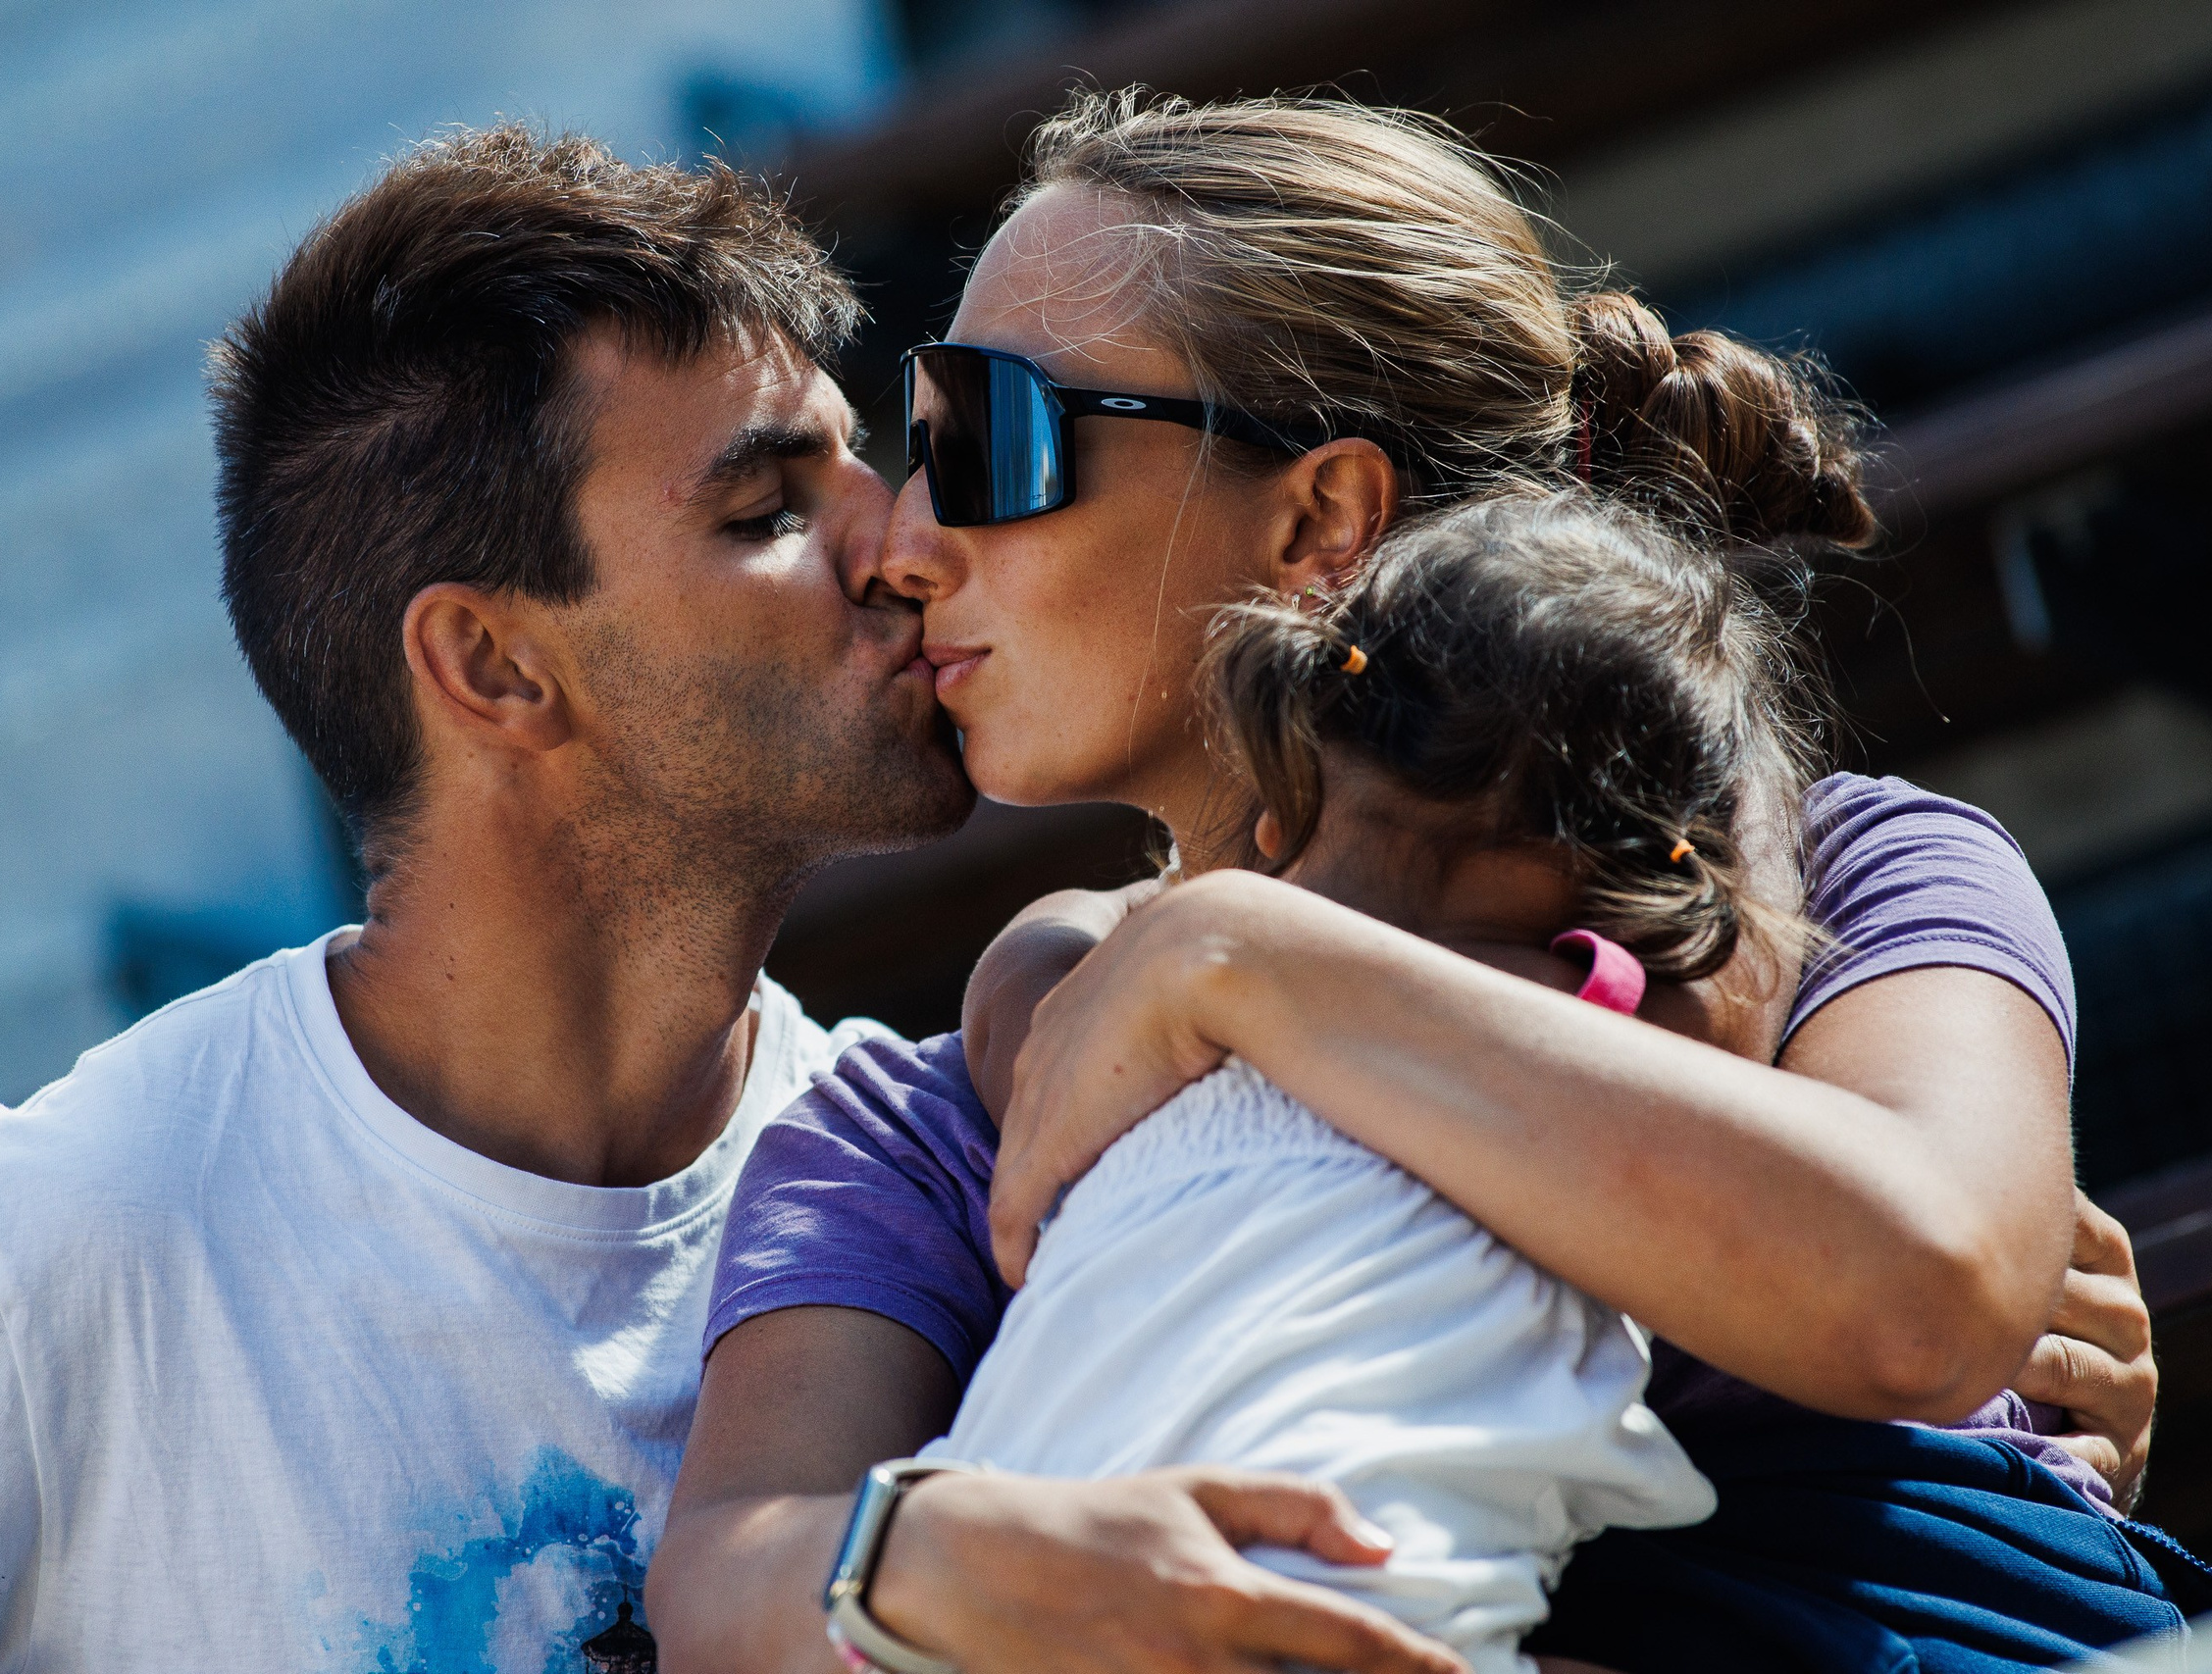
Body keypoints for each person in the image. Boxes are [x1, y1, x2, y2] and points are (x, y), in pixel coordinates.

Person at [650, 92, 2170, 1674]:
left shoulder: (1836, 874)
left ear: (1319, 514)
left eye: (982, 436)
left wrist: (1238, 954)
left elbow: (1917, 1296)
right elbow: (730, 1581)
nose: (901, 539)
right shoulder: (926, 1117)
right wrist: (942, 1555)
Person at [0, 125, 990, 1671]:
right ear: (496, 667)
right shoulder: (45, 1251)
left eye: (864, 466)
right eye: (768, 509)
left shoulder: (909, 1185)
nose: (907, 540)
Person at [928, 491, 1822, 1672]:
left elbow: (1016, 1004)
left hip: (995, 1604)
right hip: (1332, 1617)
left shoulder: (1117, 1042)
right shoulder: (1588, 1024)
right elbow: (1733, 990)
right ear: (1638, 873)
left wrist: (1143, 923)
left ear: (1284, 769)